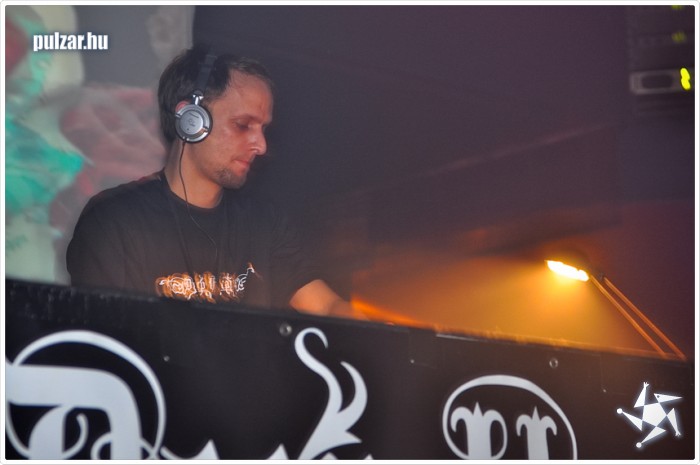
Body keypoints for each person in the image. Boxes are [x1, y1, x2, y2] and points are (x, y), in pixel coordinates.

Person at [66, 44, 363, 319]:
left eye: (263, 129)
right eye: (243, 125)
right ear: (191, 120)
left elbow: (326, 306)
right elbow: (109, 337)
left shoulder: (265, 224)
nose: (261, 145)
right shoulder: (113, 222)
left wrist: (376, 332)